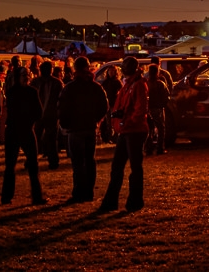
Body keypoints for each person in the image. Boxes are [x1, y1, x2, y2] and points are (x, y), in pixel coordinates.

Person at [98, 57, 149, 213]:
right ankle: (114, 201)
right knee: (118, 166)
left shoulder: (137, 85)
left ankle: (133, 201)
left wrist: (125, 122)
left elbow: (140, 109)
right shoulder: (130, 84)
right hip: (127, 129)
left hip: (133, 130)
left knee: (132, 167)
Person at [58, 56, 109, 204]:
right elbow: (104, 107)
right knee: (89, 160)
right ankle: (88, 192)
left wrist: (65, 124)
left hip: (75, 130)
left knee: (78, 162)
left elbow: (62, 109)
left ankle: (79, 192)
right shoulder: (95, 87)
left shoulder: (69, 88)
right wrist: (96, 120)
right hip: (89, 128)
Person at [1, 66, 45, 205]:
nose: (26, 77)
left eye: (27, 75)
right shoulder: (16, 92)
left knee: (32, 164)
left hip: (22, 129)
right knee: (11, 165)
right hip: (18, 130)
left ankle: (35, 197)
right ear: (18, 77)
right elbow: (37, 112)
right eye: (23, 75)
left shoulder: (29, 92)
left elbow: (39, 112)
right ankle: (7, 196)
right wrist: (29, 119)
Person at [32, 61, 63, 169]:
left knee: (38, 138)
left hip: (45, 114)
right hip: (46, 114)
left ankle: (34, 160)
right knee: (50, 138)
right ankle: (52, 161)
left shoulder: (37, 82)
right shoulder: (56, 82)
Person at [144, 64, 170, 155]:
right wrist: (162, 105)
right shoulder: (160, 84)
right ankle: (160, 148)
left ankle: (148, 148)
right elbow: (166, 96)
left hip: (147, 109)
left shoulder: (145, 84)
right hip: (158, 108)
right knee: (161, 128)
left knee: (149, 129)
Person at [100, 64, 122, 143]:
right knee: (108, 121)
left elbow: (121, 92)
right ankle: (109, 136)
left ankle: (115, 136)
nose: (112, 73)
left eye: (113, 71)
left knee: (114, 121)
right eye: (110, 71)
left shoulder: (117, 82)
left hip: (114, 104)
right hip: (108, 104)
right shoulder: (105, 82)